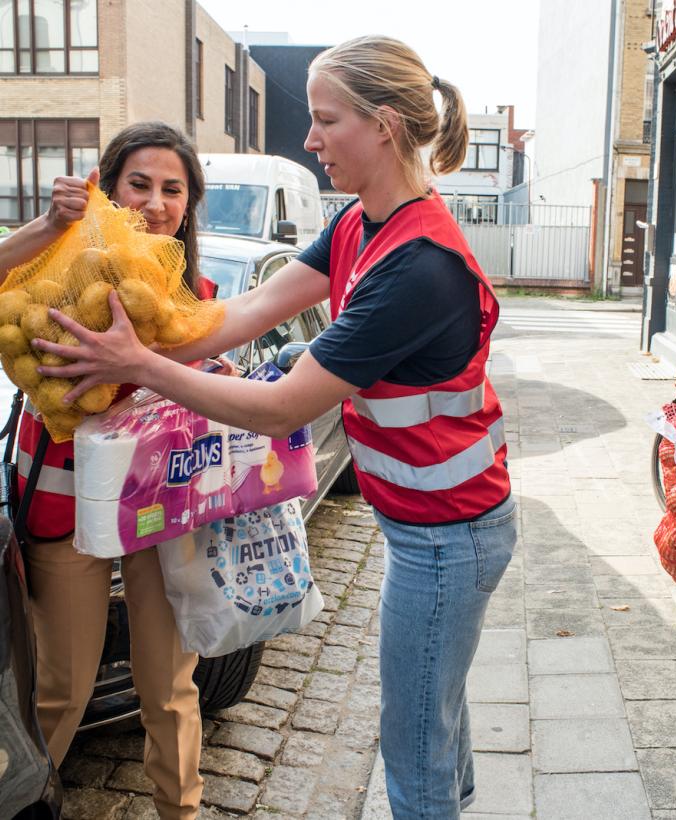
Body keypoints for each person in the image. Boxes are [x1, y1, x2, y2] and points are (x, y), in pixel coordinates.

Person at [34, 36, 517, 819]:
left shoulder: (418, 266)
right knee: (439, 719)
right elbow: (247, 311)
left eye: (325, 120)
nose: (310, 138)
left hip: (450, 535)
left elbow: (286, 404)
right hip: (425, 524)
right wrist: (121, 346)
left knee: (413, 746)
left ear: (384, 126)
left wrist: (146, 366)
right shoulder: (364, 224)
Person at [0, 121, 213, 820]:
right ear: (108, 189)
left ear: (190, 203)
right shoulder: (58, 267)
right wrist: (47, 224)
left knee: (170, 686)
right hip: (66, 503)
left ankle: (179, 811)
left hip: (162, 506)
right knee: (60, 684)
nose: (156, 202)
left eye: (172, 189)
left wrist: (220, 375)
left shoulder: (195, 293)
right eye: (139, 184)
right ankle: (21, 801)